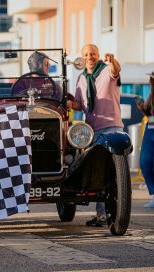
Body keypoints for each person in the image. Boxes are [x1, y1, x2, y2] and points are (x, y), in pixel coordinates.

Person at [67, 44, 124, 227]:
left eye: (93, 54)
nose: (89, 57)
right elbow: (79, 104)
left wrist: (112, 60)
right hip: (92, 130)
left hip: (111, 127)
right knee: (98, 171)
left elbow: (116, 71)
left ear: (98, 56)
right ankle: (101, 215)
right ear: (82, 58)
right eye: (86, 54)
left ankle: (118, 210)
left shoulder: (107, 70)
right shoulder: (81, 78)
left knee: (113, 171)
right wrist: (68, 102)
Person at [136, 71, 154, 208]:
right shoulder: (152, 93)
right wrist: (143, 109)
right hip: (151, 127)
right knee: (145, 162)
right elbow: (149, 112)